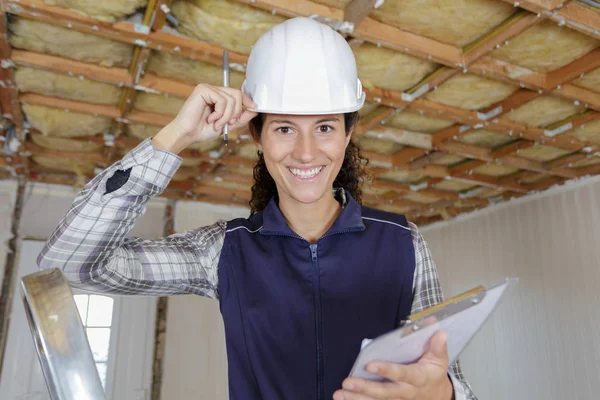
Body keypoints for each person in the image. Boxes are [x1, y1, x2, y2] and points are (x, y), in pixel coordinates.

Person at [38, 17, 477, 400]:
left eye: (324, 127)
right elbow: (69, 266)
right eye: (285, 128)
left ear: (347, 135)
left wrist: (445, 393)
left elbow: (447, 376)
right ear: (258, 136)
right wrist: (176, 136)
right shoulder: (223, 251)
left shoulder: (404, 243)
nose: (306, 153)